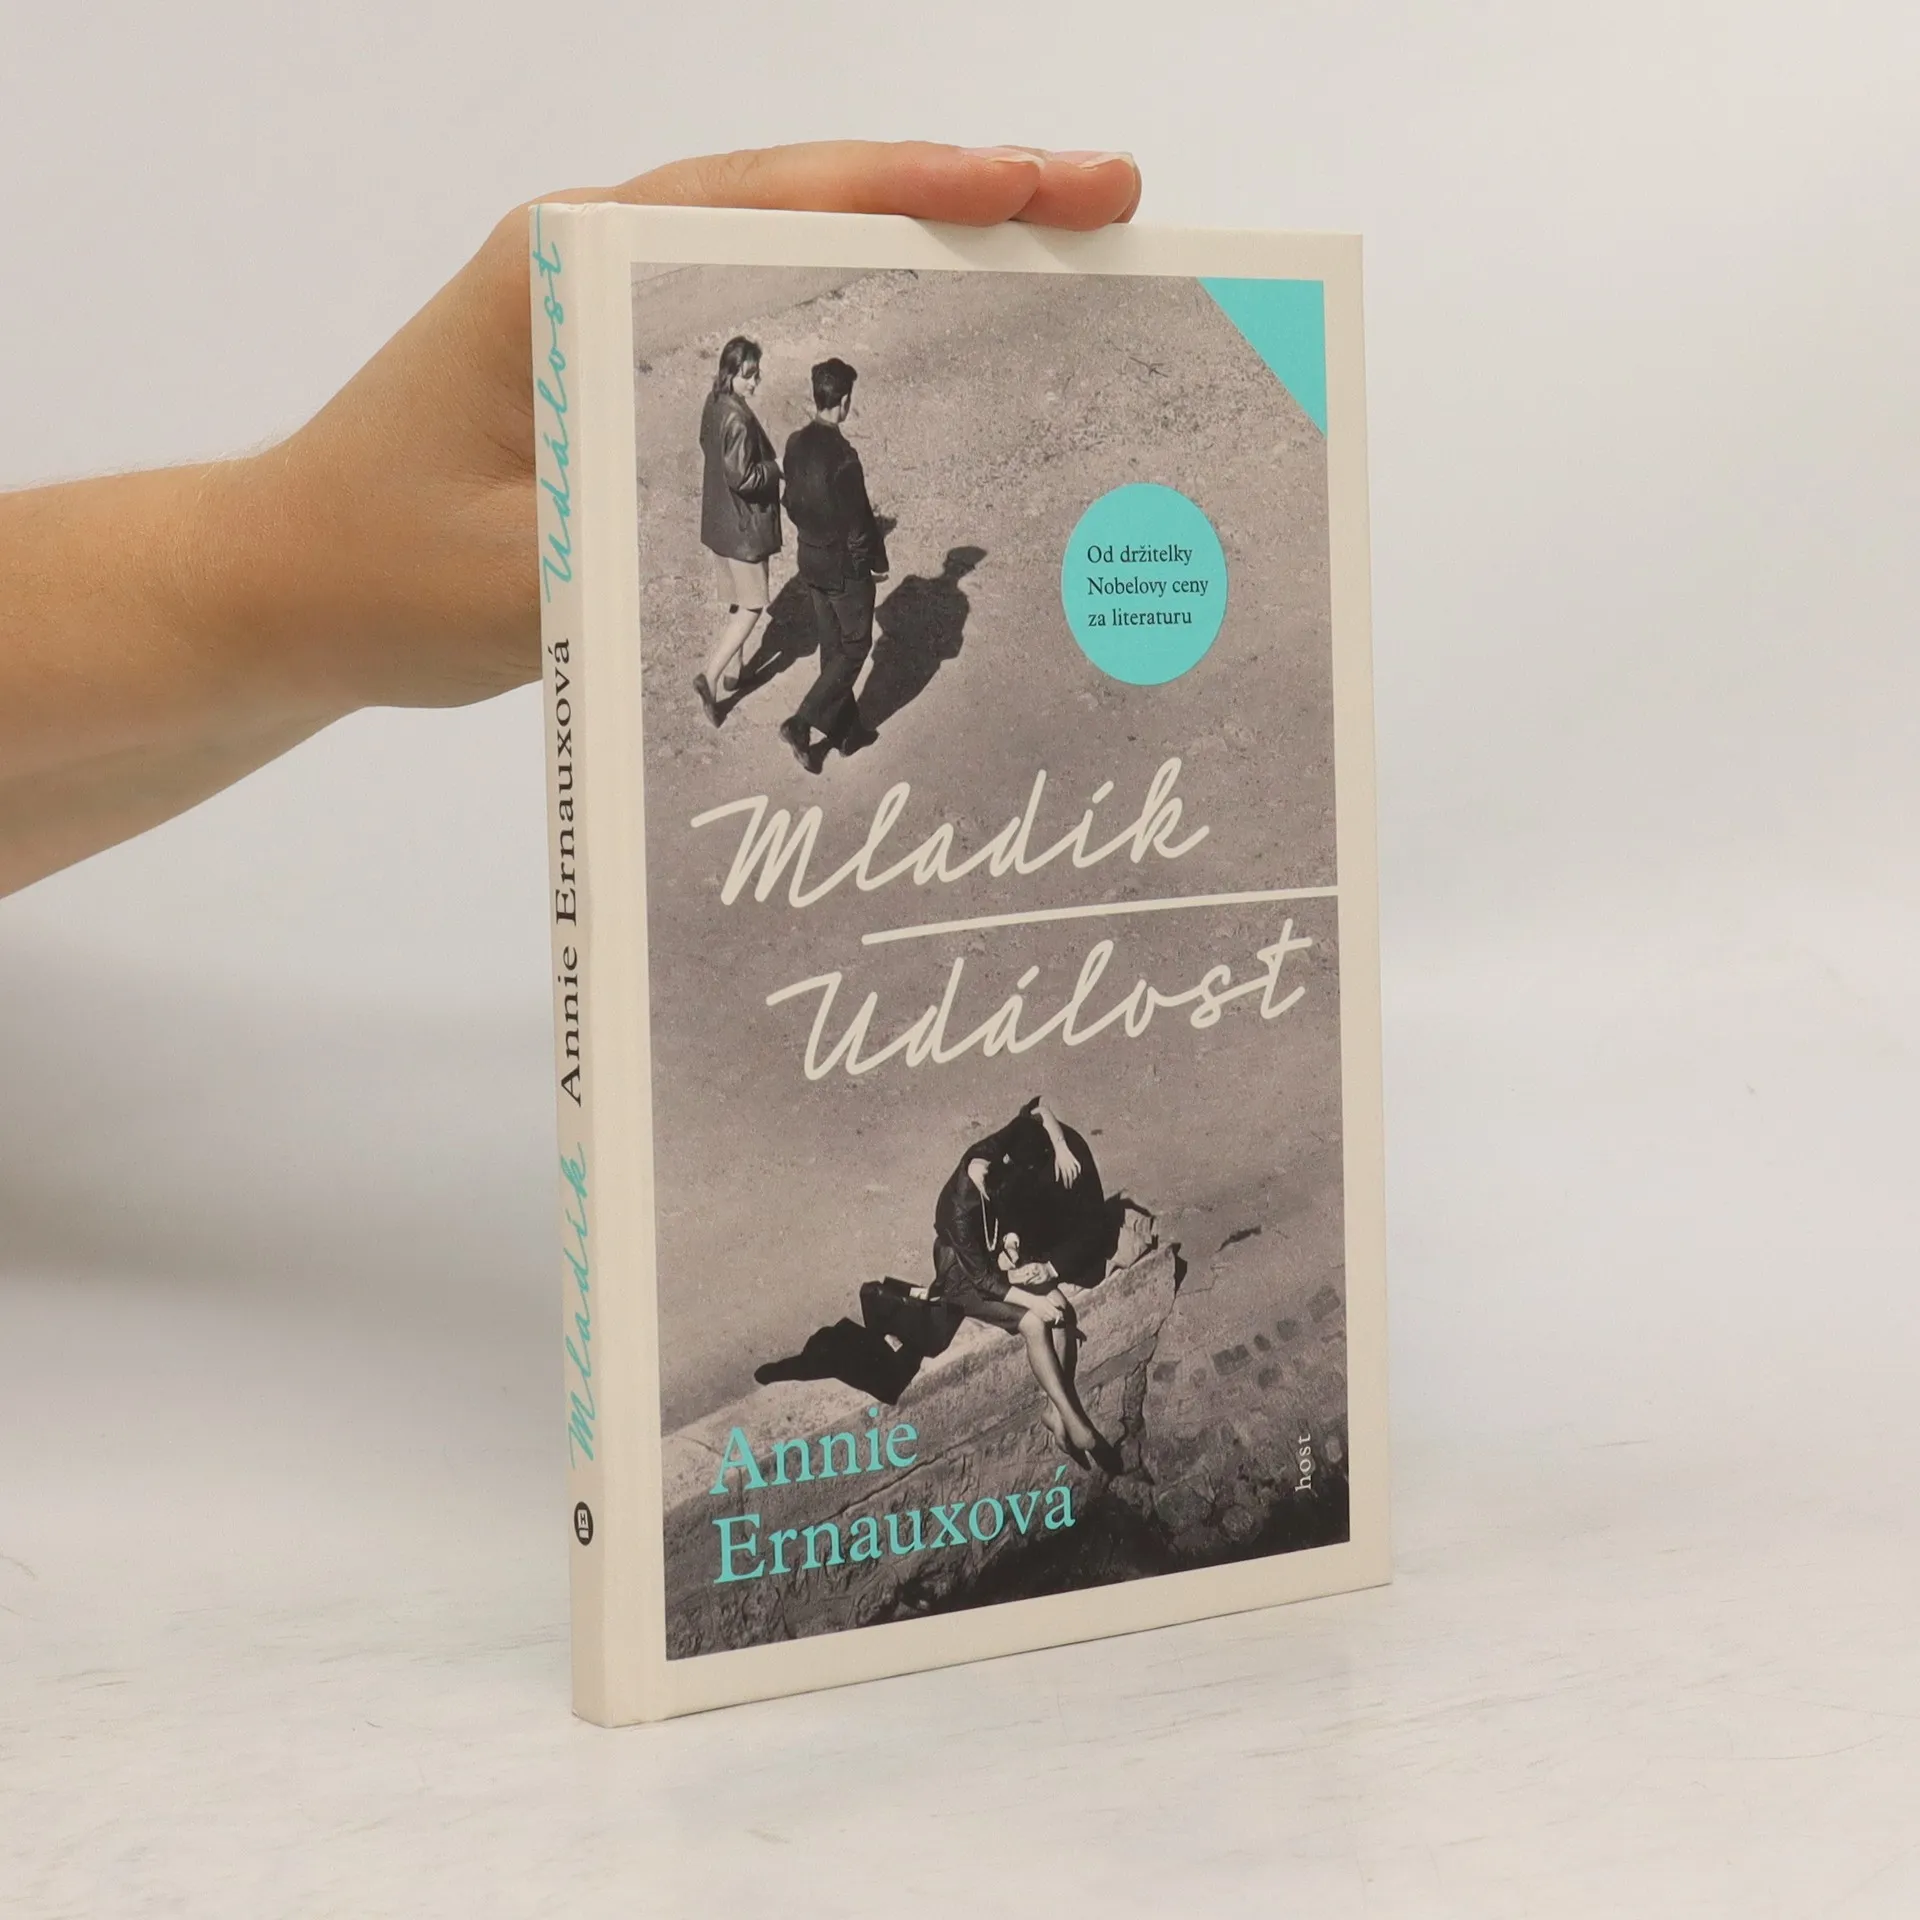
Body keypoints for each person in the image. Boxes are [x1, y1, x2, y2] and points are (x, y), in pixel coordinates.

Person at [0, 142, 1141, 896]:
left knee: (779, 627)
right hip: (785, 551)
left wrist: (292, 609)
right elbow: (786, 497)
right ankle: (766, 706)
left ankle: (757, 695)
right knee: (804, 639)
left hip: (781, 541)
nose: (755, 377)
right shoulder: (797, 442)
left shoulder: (783, 433)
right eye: (751, 366)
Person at [929, 1096, 1123, 1472]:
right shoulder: (958, 1213)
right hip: (963, 1277)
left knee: (1060, 1311)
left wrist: (1012, 1241)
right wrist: (1031, 1299)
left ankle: (1054, 1413)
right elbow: (983, 1280)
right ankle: (1075, 1422)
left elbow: (1037, 1109)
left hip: (995, 1263)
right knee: (1035, 1322)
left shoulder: (992, 1153)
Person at [776, 357, 888, 773]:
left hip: (809, 559)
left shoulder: (794, 444)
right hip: (842, 568)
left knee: (832, 646)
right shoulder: (844, 457)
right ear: (843, 402)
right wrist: (871, 563)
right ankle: (802, 722)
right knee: (855, 647)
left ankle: (847, 732)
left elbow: (789, 502)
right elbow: (859, 522)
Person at [693, 335, 781, 726]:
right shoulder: (739, 419)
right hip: (744, 530)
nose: (755, 382)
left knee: (736, 597)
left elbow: (705, 443)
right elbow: (744, 478)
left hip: (720, 523)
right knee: (752, 606)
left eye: (757, 374)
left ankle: (735, 673)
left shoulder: (714, 402)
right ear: (731, 374)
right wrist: (775, 469)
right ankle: (710, 676)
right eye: (749, 375)